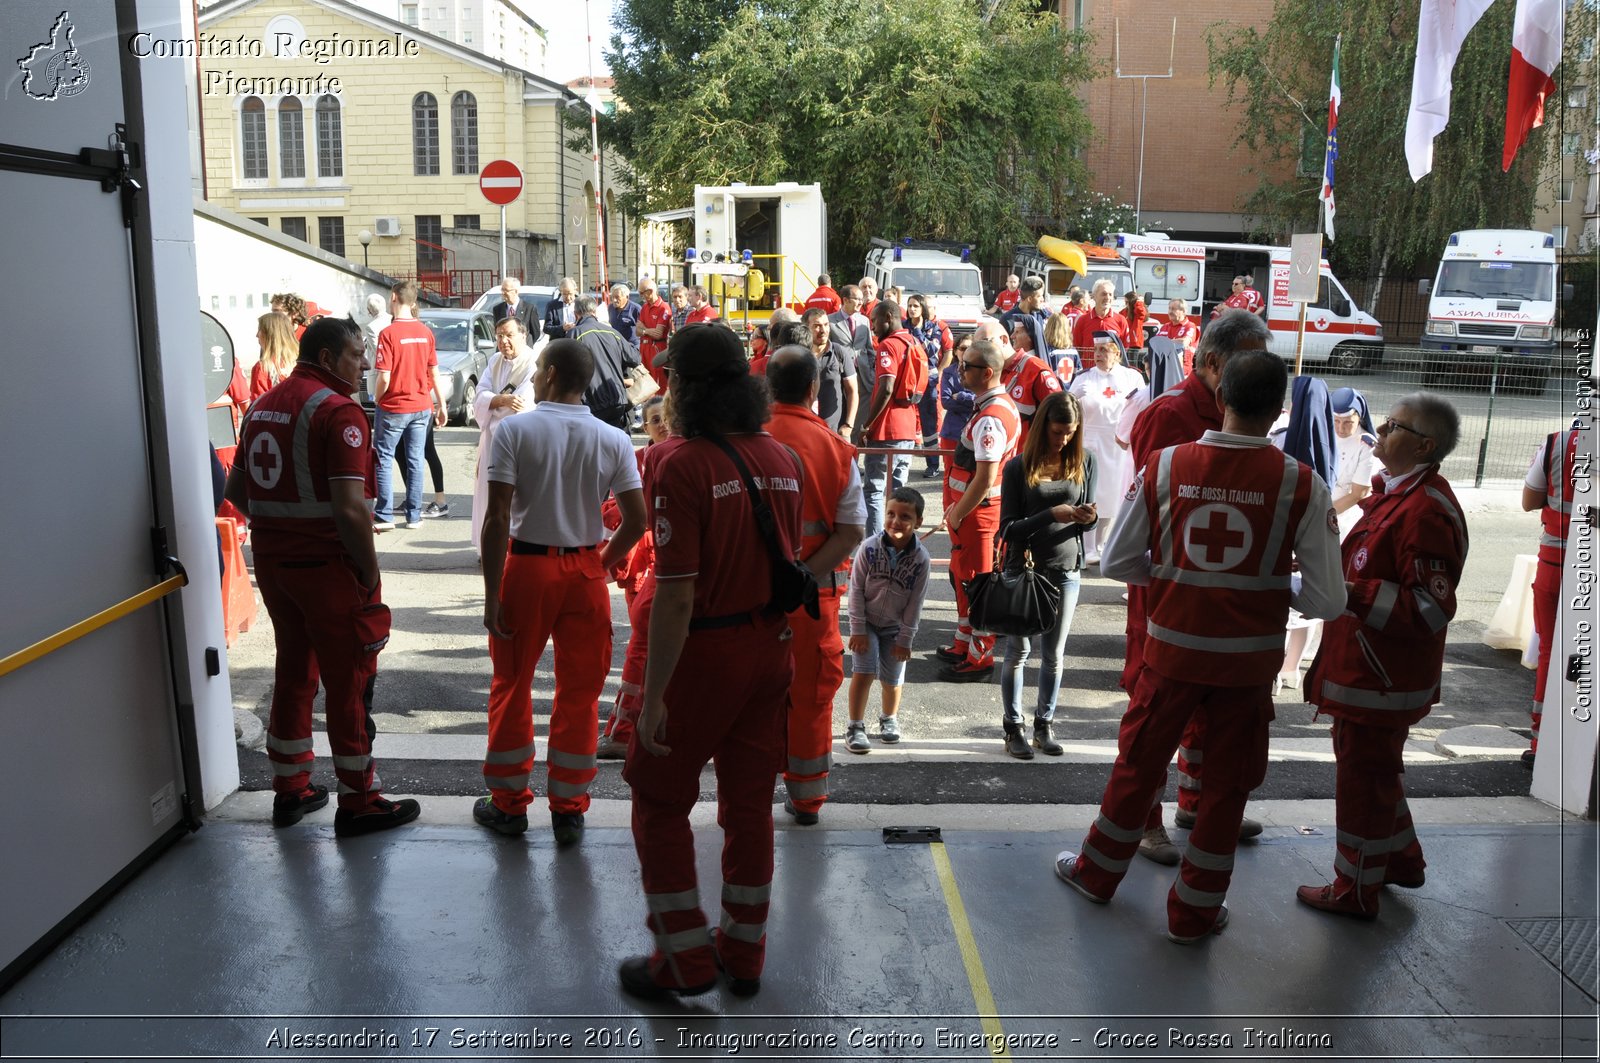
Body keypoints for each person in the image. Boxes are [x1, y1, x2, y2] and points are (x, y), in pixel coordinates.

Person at [1055, 350, 1344, 943]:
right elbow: (1326, 601)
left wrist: (1181, 577)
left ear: (1221, 397)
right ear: (1280, 410)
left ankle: (1096, 873)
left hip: (1169, 657)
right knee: (1225, 789)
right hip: (1247, 667)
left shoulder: (1162, 467)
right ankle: (1195, 913)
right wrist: (1272, 586)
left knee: (1137, 767)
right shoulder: (1301, 485)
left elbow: (1118, 561)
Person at [618, 322, 804, 1001]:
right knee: (749, 806)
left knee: (658, 800)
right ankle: (743, 952)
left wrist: (653, 693)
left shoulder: (677, 462)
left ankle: (683, 960)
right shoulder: (781, 456)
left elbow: (675, 595)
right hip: (771, 649)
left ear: (685, 388)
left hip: (707, 654)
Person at [223, 316, 422, 837]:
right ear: (330, 359)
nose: (365, 365)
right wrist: (367, 570)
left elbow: (238, 493)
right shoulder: (339, 411)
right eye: (357, 354)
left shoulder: (262, 407)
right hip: (326, 568)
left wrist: (281, 521)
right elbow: (351, 510)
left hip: (273, 563)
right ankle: (359, 799)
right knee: (348, 681)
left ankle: (291, 788)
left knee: (293, 669)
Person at [1298, 393, 1467, 919]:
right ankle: (1400, 860)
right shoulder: (1395, 496)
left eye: (1394, 425)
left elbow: (1430, 608)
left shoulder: (1425, 511)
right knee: (1375, 772)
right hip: (1366, 671)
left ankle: (1354, 889)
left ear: (1425, 445)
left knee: (1362, 783)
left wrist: (1349, 590)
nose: (1382, 430)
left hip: (1381, 680)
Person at [475, 338, 646, 843]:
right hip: (585, 574)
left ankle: (509, 804)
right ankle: (569, 806)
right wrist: (602, 564)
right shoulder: (612, 437)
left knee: (512, 682)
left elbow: (497, 516)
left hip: (528, 567)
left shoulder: (516, 431)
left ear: (547, 375)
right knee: (580, 691)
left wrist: (491, 594)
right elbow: (636, 520)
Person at [1121, 309, 1272, 862]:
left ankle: (1197, 802)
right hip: (1168, 591)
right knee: (1154, 707)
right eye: (1248, 361)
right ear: (1214, 363)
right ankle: (1143, 820)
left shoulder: (1242, 415)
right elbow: (1147, 513)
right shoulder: (1169, 415)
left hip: (1218, 594)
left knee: (1213, 707)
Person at [765, 347, 866, 820]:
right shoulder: (836, 448)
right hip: (812, 598)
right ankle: (806, 797)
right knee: (809, 697)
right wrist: (803, 573)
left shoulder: (743, 439)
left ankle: (746, 794)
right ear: (812, 389)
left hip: (747, 597)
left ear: (768, 386)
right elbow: (852, 531)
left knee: (747, 699)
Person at [997, 392, 1096, 760]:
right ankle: (1013, 728)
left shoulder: (1085, 460)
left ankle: (1044, 724)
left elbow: (1090, 514)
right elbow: (1007, 529)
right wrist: (1051, 515)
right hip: (1025, 570)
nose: (1064, 440)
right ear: (1042, 428)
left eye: (1070, 433)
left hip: (1067, 568)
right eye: (1057, 432)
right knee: (1018, 651)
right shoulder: (1017, 468)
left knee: (1054, 655)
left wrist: (1088, 517)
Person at [936, 339, 1022, 682]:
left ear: (986, 373)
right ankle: (964, 642)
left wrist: (957, 513)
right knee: (963, 578)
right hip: (972, 513)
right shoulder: (992, 407)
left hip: (978, 514)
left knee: (978, 584)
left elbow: (985, 477)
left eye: (966, 367)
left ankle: (979, 658)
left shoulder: (992, 418)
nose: (960, 371)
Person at [597, 394, 674, 761]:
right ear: (644, 428)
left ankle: (626, 728)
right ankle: (632, 724)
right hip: (639, 566)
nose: (661, 425)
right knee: (644, 648)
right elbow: (614, 511)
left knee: (645, 651)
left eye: (664, 418)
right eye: (653, 420)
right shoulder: (637, 460)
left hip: (668, 567)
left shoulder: (679, 457)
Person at [843, 485, 932, 753]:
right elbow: (855, 590)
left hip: (895, 627)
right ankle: (855, 725)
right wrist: (857, 629)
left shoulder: (921, 559)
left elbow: (915, 603)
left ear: (919, 522)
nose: (896, 521)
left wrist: (905, 638)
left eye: (905, 516)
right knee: (864, 672)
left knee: (892, 679)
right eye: (891, 513)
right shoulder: (868, 549)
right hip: (867, 623)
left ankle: (888, 719)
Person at [1521, 420, 1580, 768]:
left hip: (1555, 562)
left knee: (1550, 651)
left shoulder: (1558, 442)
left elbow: (1529, 500)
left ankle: (1541, 742)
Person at [373, 280, 447, 531]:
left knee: (383, 458)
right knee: (415, 459)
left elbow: (384, 375)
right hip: (422, 405)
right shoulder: (426, 332)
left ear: (393, 297)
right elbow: (435, 373)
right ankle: (414, 516)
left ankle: (384, 515)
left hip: (394, 406)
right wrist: (442, 405)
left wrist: (377, 399)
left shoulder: (388, 333)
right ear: (414, 302)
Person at [1066, 332, 1142, 563]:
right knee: (1091, 492)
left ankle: (1102, 543)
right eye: (1096, 350)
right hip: (1090, 441)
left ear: (1117, 353)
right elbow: (1065, 408)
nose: (1098, 355)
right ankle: (1087, 546)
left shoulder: (1132, 377)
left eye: (1104, 350)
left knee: (1113, 493)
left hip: (1118, 442)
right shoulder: (1084, 377)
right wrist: (1072, 396)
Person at [470, 316, 542, 558]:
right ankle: (487, 546)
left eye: (509, 335)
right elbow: (480, 394)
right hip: (490, 440)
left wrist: (492, 403)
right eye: (499, 335)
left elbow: (523, 403)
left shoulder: (533, 363)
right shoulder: (495, 361)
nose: (503, 341)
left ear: (523, 335)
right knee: (487, 493)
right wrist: (498, 400)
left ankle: (512, 547)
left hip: (516, 442)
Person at [857, 299, 922, 539]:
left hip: (887, 429)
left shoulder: (888, 346)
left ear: (888, 317)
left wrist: (867, 425)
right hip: (907, 427)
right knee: (898, 492)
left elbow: (886, 387)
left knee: (874, 490)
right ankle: (899, 541)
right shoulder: (914, 342)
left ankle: (875, 544)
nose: (872, 326)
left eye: (874, 320)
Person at [572, 295, 643, 430]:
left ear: (576, 314)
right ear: (595, 312)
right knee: (619, 446)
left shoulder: (575, 334)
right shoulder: (612, 332)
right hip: (618, 400)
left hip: (592, 402)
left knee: (596, 447)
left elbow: (568, 369)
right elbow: (635, 357)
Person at [1004, 313, 1065, 450]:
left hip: (1030, 446)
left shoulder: (1036, 368)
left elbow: (1057, 407)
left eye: (1017, 332)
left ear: (1030, 337)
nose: (1012, 336)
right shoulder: (1012, 366)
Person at [905, 295, 947, 478]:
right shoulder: (902, 327)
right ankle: (901, 462)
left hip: (927, 382)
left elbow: (931, 350)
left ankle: (933, 464)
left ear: (922, 308)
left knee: (929, 426)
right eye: (909, 306)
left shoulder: (933, 328)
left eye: (915, 306)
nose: (912, 309)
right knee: (905, 422)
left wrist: (918, 332)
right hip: (907, 380)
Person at [801, 307, 859, 435]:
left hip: (834, 432)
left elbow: (852, 391)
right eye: (817, 326)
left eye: (826, 325)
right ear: (806, 328)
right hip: (804, 430)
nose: (823, 330)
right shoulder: (799, 355)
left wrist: (849, 425)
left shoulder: (839, 352)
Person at [1072, 279, 1133, 364]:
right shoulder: (1082, 320)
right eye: (1104, 294)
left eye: (1110, 294)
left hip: (1112, 372)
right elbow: (1077, 348)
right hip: (1089, 373)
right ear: (1094, 296)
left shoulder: (1121, 320)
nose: (1107, 297)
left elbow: (1125, 349)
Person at [636, 277, 674, 391]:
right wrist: (647, 330)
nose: (641, 296)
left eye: (642, 293)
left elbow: (658, 334)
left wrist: (644, 330)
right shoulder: (644, 307)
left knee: (658, 381)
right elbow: (637, 331)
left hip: (656, 347)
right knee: (645, 380)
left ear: (650, 291)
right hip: (644, 347)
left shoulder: (663, 307)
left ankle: (660, 405)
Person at [250, 311, 296, 400]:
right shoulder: (303, 362)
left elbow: (258, 404)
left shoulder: (263, 368)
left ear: (270, 335)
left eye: (260, 330)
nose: (256, 335)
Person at [1155, 298, 1201, 375]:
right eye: (1169, 308)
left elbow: (1183, 343)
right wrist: (1173, 342)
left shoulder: (1190, 326)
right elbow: (1155, 344)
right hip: (1164, 369)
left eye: (1173, 309)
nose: (1170, 312)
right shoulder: (1165, 326)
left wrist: (1165, 342)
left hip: (1182, 372)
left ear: (1184, 311)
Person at [1043, 311, 1080, 381]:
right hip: (1070, 391)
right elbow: (1079, 375)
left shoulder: (1047, 351)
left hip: (1054, 390)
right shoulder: (1074, 352)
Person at [543, 277, 579, 341]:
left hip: (577, 342)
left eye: (570, 294)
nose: (568, 297)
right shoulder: (552, 305)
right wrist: (562, 328)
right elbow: (546, 328)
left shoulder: (581, 303)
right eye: (564, 294)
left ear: (575, 290)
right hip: (559, 343)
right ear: (560, 292)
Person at [1123, 291, 1149, 358]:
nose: (1126, 304)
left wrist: (1139, 302)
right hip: (1126, 341)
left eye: (1127, 302)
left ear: (1131, 302)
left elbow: (1141, 312)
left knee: (1133, 364)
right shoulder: (1125, 311)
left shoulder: (1137, 312)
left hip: (1135, 342)